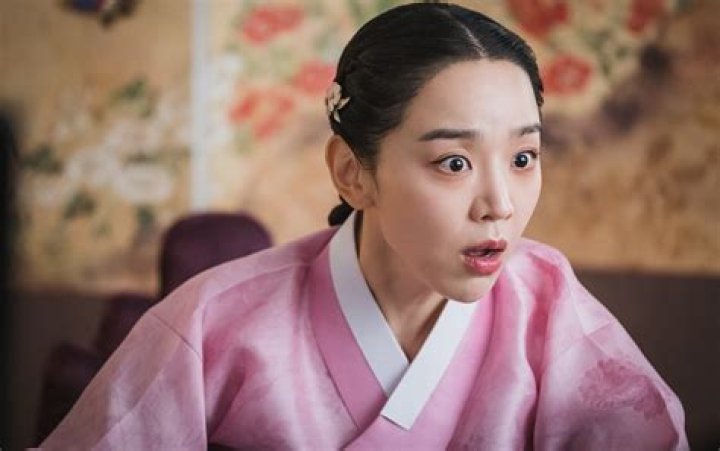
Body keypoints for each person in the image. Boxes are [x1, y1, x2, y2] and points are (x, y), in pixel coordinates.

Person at [41, 3, 687, 449]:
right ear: (352, 173)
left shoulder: (552, 310)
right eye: (454, 162)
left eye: (523, 158)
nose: (500, 204)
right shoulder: (211, 321)